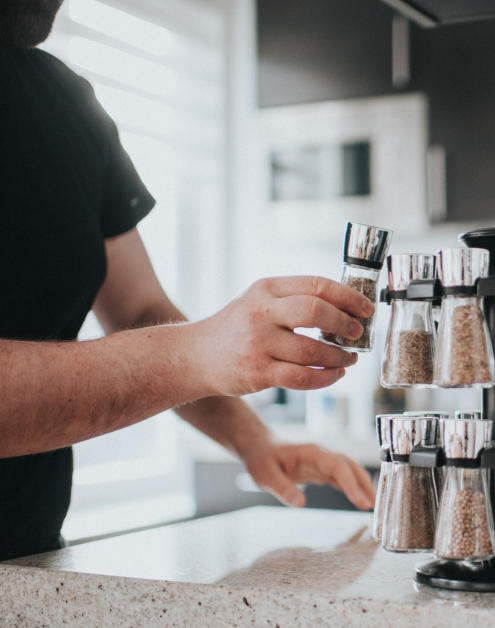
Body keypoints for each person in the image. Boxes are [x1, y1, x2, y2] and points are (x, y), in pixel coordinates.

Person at [0, 0, 376, 561]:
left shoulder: (67, 101)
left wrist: (254, 438)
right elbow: (177, 348)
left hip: (31, 563)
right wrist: (196, 352)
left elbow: (140, 309)